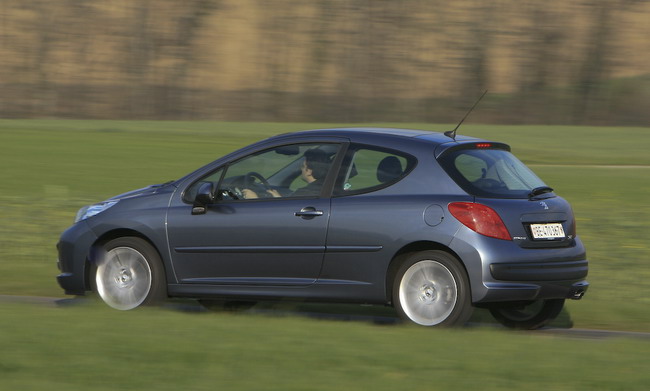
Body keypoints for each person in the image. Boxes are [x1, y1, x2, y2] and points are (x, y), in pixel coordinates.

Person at [242, 149, 330, 199]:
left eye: (303, 166)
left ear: (309, 171)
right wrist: (278, 198)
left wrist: (255, 199)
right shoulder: (325, 187)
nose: (301, 169)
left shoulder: (306, 193)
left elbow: (283, 215)